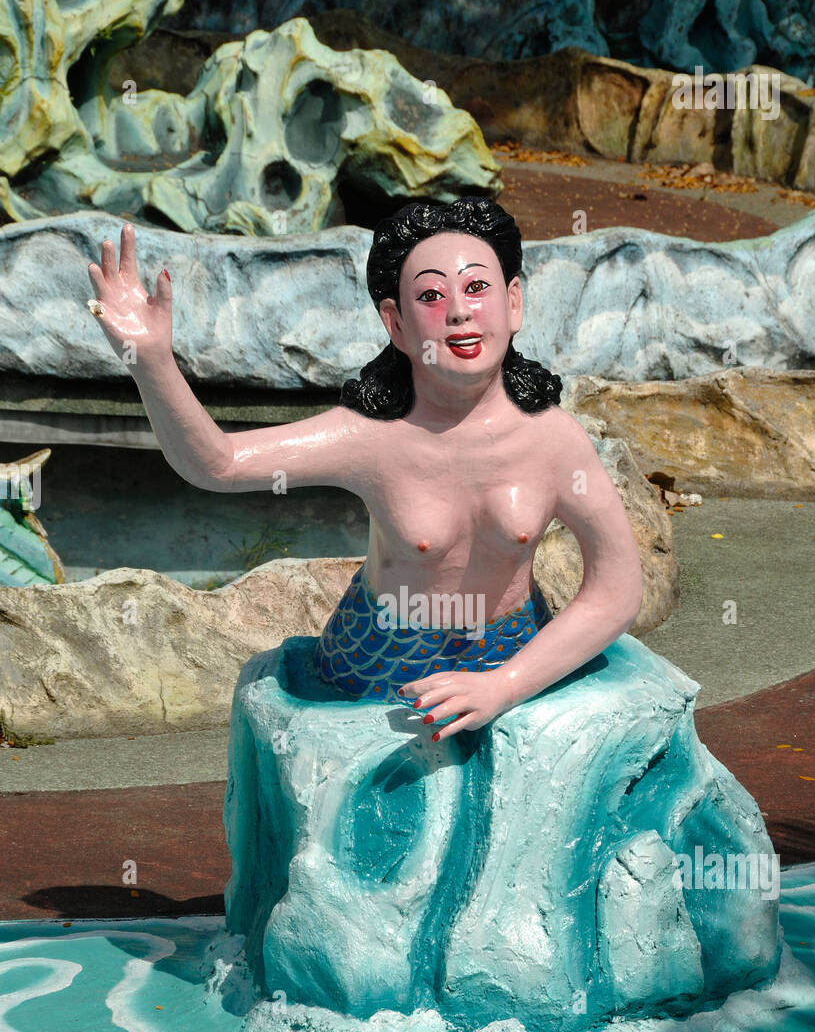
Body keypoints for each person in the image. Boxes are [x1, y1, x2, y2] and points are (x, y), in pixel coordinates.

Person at [86, 197, 643, 738]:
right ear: (396, 323)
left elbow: (616, 588)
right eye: (430, 295)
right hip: (382, 659)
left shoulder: (553, 440)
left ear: (514, 301)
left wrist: (505, 684)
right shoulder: (371, 437)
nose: (458, 311)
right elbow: (219, 464)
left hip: (515, 651)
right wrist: (152, 361)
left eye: (477, 287)